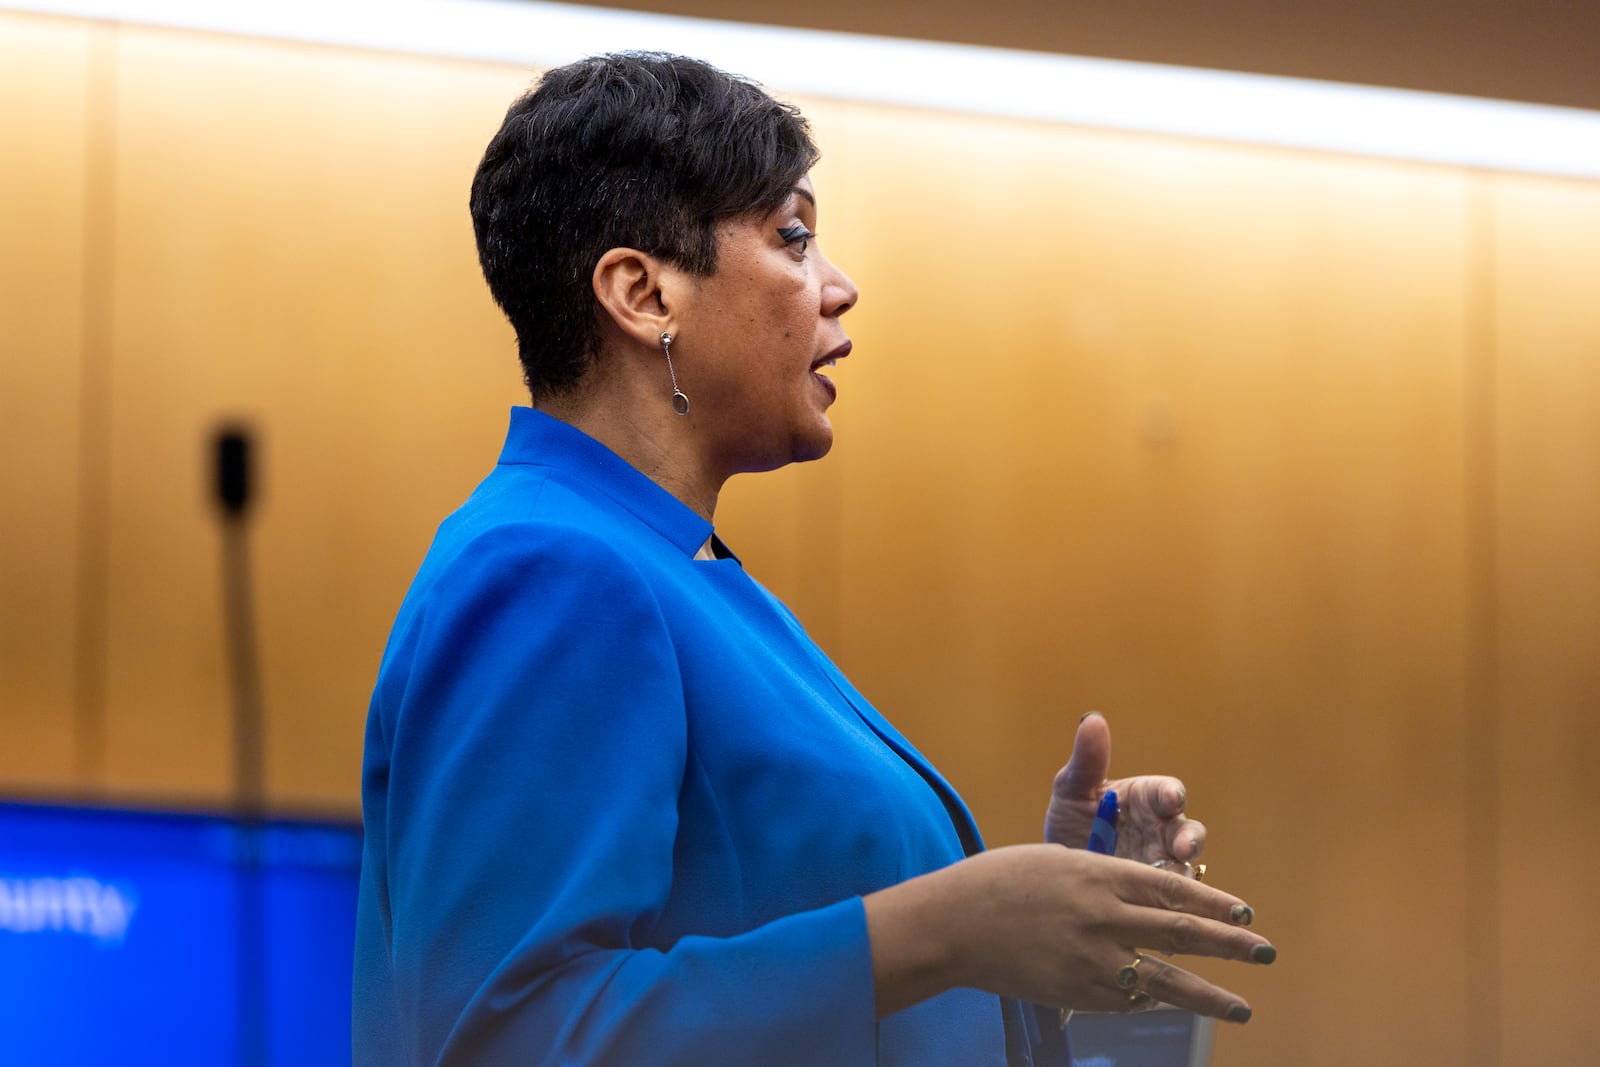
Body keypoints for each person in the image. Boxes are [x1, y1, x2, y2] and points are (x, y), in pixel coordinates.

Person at [352, 51, 1275, 1067]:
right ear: (641, 292)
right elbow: (507, 1037)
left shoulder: (691, 580)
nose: (838, 288)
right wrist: (949, 924)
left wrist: (1053, 928)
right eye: (792, 236)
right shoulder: (550, 569)